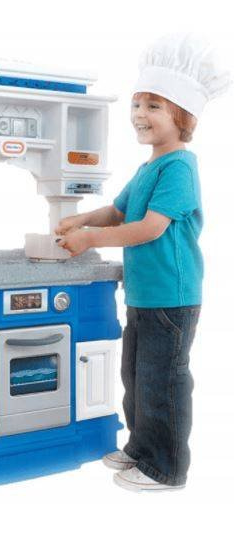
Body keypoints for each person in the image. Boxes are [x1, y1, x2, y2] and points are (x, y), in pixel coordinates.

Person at [55, 34, 230, 492]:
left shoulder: (179, 167)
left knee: (163, 383)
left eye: (154, 106)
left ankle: (166, 468)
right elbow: (118, 212)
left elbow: (150, 228)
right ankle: (140, 448)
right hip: (145, 295)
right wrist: (81, 219)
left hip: (171, 297)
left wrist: (90, 239)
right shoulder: (149, 166)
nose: (139, 114)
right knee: (135, 377)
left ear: (183, 116)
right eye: (137, 104)